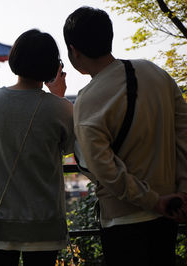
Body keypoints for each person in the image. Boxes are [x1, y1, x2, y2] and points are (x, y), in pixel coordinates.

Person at [63, 6, 187, 266]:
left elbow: (103, 168)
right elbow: (184, 134)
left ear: (74, 50)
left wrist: (153, 201)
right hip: (171, 210)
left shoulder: (88, 98)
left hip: (124, 217)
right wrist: (182, 191)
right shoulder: (156, 74)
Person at [0, 29, 74, 266]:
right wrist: (59, 96)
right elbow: (70, 147)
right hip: (44, 224)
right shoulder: (60, 108)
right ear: (54, 67)